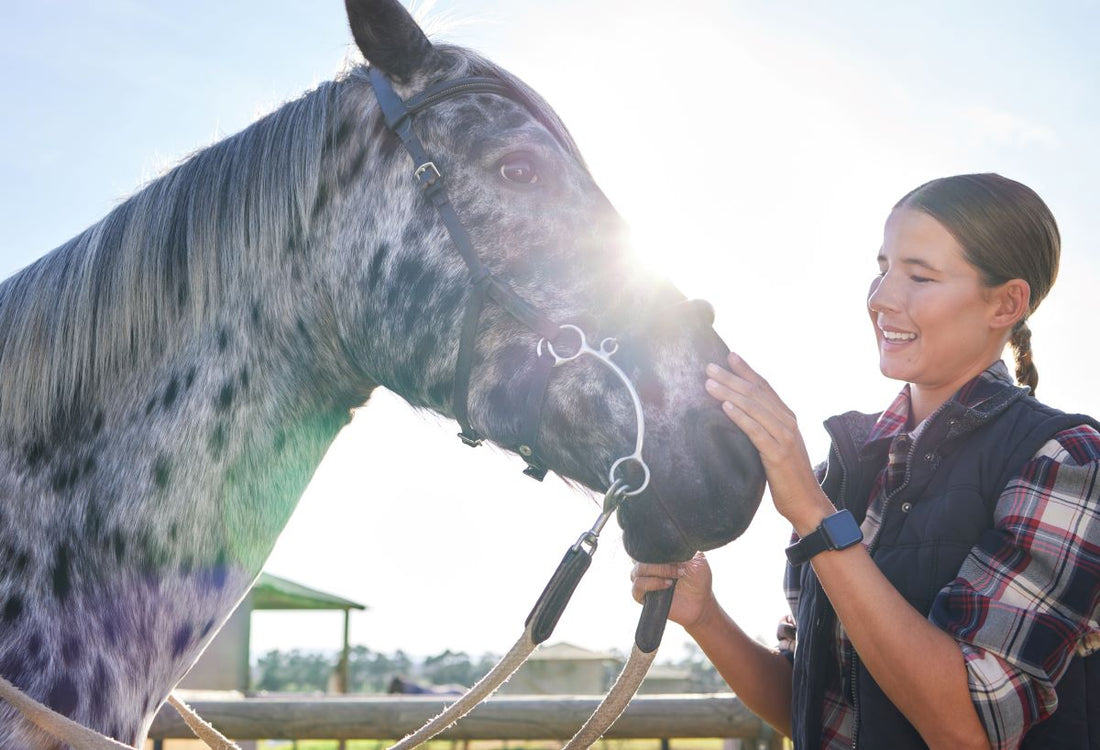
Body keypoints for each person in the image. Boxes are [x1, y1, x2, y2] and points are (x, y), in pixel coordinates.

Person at [631, 173, 1100, 749]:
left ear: (1006, 302)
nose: (880, 298)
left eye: (919, 276)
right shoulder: (849, 469)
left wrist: (810, 509)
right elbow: (816, 710)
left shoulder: (1064, 458)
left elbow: (968, 728)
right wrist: (705, 617)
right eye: (883, 268)